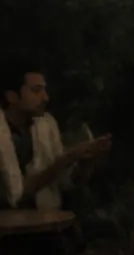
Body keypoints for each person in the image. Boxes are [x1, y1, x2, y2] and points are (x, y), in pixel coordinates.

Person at [0, 62, 111, 211]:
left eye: (44, 90)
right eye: (36, 90)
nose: (45, 97)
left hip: (46, 222)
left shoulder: (46, 125)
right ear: (11, 97)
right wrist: (66, 159)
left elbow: (66, 183)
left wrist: (86, 161)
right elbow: (14, 192)